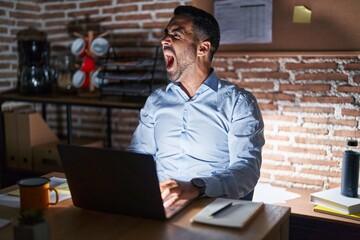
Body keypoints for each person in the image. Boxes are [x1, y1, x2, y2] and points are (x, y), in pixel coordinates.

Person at [128, 5, 265, 207]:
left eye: (176, 34)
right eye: (166, 33)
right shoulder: (156, 101)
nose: (164, 40)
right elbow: (138, 155)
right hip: (160, 205)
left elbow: (246, 170)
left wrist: (196, 188)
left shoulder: (239, 103)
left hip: (211, 206)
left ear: (203, 48)